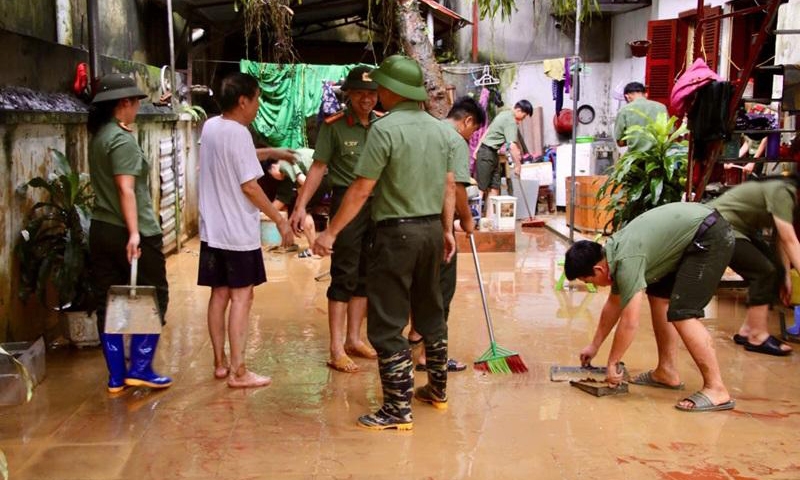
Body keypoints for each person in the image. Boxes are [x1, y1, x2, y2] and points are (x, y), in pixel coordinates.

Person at [312, 54, 456, 430]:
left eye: (380, 88)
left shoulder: (385, 129)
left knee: (388, 323)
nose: (376, 95)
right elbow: (448, 185)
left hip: (397, 235)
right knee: (430, 313)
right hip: (430, 233)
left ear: (392, 91)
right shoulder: (442, 130)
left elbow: (361, 189)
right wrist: (447, 230)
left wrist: (330, 232)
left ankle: (397, 409)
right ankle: (437, 391)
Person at [565, 202, 736, 412]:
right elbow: (614, 304)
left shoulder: (626, 260)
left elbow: (630, 321)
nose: (593, 286)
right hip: (693, 236)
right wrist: (594, 346)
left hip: (709, 235)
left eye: (589, 281)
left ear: (598, 269)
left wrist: (613, 362)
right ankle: (667, 371)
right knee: (659, 297)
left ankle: (716, 388)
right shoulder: (613, 254)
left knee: (683, 313)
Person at [197, 72, 294, 389]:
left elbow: (234, 158)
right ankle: (240, 371)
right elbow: (250, 186)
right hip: (237, 232)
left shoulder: (211, 126)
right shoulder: (239, 133)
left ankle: (221, 362)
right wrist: (279, 220)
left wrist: (272, 153)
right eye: (256, 100)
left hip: (213, 231)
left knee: (219, 294)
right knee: (242, 297)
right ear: (243, 101)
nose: (257, 106)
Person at [290, 66, 380, 373]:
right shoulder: (335, 126)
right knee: (344, 274)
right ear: (349, 95)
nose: (366, 99)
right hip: (346, 203)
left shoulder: (382, 125)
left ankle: (355, 339)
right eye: (360, 93)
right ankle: (336, 348)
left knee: (367, 274)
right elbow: (317, 169)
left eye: (371, 93)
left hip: (378, 205)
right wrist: (300, 206)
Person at [88, 73, 172, 393]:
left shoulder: (100, 136)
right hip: (131, 232)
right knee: (153, 296)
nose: (137, 107)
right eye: (136, 102)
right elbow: (126, 189)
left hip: (101, 229)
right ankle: (140, 368)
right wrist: (135, 233)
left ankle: (115, 377)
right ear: (124, 103)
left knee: (109, 302)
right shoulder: (121, 139)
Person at [408, 96, 486, 373]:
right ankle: (430, 356)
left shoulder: (422, 129)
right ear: (466, 121)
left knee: (417, 287)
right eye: (473, 130)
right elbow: (457, 187)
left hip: (405, 223)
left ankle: (416, 336)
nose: (470, 135)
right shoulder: (455, 141)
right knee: (440, 291)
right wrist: (466, 220)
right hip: (435, 226)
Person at [709, 176, 799, 356]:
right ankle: (757, 336)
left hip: (735, 228)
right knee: (764, 271)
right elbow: (791, 241)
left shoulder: (789, 197)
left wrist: (786, 276)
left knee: (774, 270)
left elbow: (782, 238)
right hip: (717, 226)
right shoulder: (784, 191)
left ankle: (748, 330)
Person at [264, 148, 321, 258]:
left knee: (305, 212)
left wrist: (300, 208)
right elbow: (284, 200)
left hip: (320, 174)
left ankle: (314, 249)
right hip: (319, 171)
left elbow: (304, 182)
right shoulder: (287, 169)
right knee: (301, 208)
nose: (275, 178)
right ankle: (294, 244)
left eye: (271, 175)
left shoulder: (283, 164)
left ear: (273, 167)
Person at [474, 99, 533, 198]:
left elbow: (489, 130)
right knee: (482, 189)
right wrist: (518, 166)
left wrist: (477, 148)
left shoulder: (504, 114)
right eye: (524, 116)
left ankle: (492, 214)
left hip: (492, 153)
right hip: (486, 153)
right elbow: (512, 146)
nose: (523, 119)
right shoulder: (511, 121)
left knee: (495, 188)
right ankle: (476, 213)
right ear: (518, 110)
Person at [613, 82, 668, 150]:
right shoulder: (662, 107)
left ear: (627, 96)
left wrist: (635, 139)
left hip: (635, 157)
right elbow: (668, 135)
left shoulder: (624, 110)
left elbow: (620, 143)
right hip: (658, 157)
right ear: (646, 95)